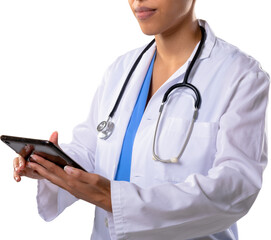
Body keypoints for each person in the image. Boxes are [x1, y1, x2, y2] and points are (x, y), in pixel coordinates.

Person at [13, 0, 269, 239]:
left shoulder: (242, 77)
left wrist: (112, 198)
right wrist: (51, 164)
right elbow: (91, 151)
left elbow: (234, 189)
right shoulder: (122, 69)